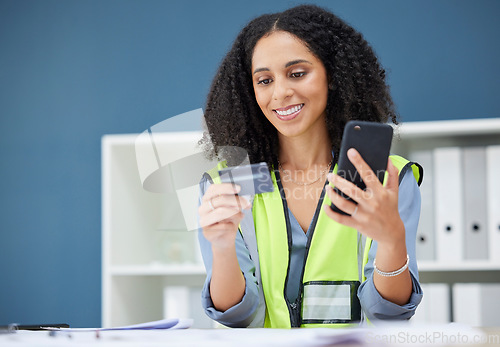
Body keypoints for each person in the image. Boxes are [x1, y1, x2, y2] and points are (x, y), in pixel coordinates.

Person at [197, 4, 423, 328]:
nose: (281, 93)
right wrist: (221, 249)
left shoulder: (385, 178)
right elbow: (236, 315)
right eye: (264, 80)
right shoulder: (228, 184)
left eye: (297, 73)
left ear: (332, 75)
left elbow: (391, 312)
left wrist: (392, 241)